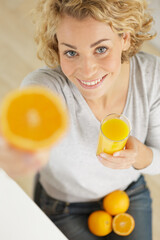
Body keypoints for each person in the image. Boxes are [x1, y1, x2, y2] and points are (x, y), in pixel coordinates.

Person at [1, 0, 160, 239]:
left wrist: (139, 155)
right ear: (57, 48)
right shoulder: (48, 87)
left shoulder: (151, 77)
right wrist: (14, 149)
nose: (87, 70)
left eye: (100, 49)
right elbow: (28, 113)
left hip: (127, 193)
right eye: (71, 52)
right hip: (63, 206)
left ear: (125, 38)